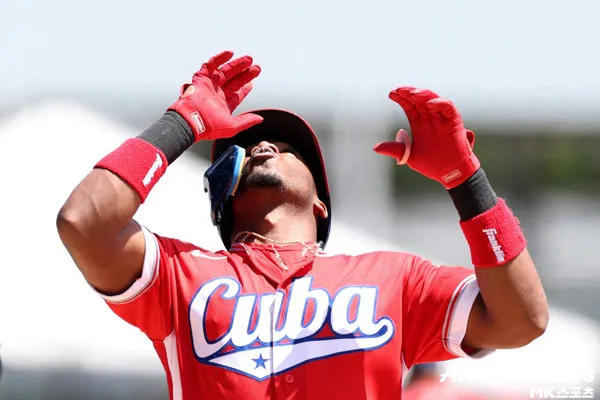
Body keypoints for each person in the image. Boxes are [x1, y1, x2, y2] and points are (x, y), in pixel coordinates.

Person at [56, 50, 549, 400]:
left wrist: (465, 180)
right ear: (221, 196)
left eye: (287, 147)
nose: (263, 146)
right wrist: (182, 122)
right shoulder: (178, 274)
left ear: (321, 204)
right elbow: (84, 222)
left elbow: (522, 320)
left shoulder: (395, 278)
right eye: (243, 150)